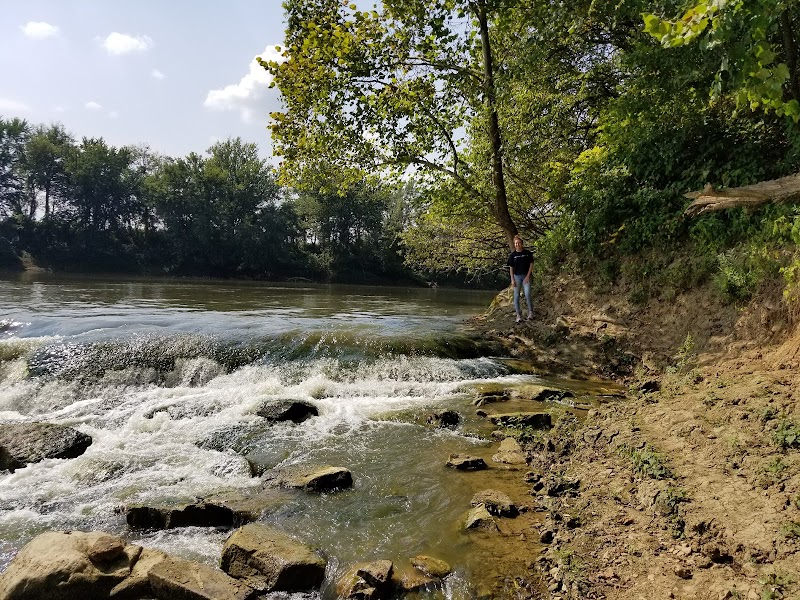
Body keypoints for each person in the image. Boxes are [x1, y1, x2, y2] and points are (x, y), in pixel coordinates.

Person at [506, 234, 534, 323]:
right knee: (516, 295)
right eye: (516, 243)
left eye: (519, 243)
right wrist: (512, 279)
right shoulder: (513, 255)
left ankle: (531, 312)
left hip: (526, 276)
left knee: (527, 294)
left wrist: (528, 276)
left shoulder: (527, 253)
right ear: (514, 244)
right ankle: (518, 315)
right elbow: (511, 268)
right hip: (517, 276)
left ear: (522, 243)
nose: (517, 244)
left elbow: (531, 264)